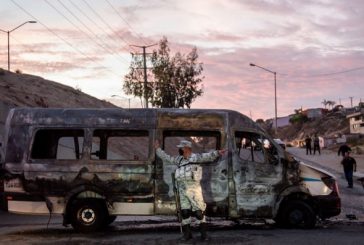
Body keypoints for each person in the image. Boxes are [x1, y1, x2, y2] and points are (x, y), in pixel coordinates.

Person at [154, 140, 226, 241]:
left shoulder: (196, 158)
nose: (180, 150)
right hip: (182, 189)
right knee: (185, 212)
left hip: (194, 189)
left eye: (181, 148)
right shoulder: (179, 160)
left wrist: (218, 152)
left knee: (198, 212)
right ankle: (187, 235)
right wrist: (157, 149)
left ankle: (204, 235)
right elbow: (167, 158)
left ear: (187, 148)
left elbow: (208, 156)